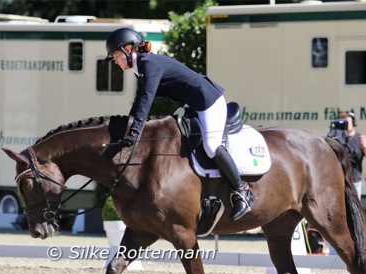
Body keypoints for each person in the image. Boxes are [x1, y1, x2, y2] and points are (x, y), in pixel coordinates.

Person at [104, 27, 254, 221]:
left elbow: (146, 100)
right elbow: (139, 100)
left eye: (116, 55)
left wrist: (134, 131)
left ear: (127, 49)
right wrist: (129, 126)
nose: (115, 61)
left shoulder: (148, 63)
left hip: (207, 101)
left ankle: (242, 192)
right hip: (192, 106)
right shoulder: (141, 67)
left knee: (210, 146)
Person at [335, 111, 366, 198]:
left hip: (354, 182)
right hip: (337, 182)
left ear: (353, 123)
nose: (346, 125)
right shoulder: (335, 139)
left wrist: (365, 146)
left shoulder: (360, 139)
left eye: (348, 122)